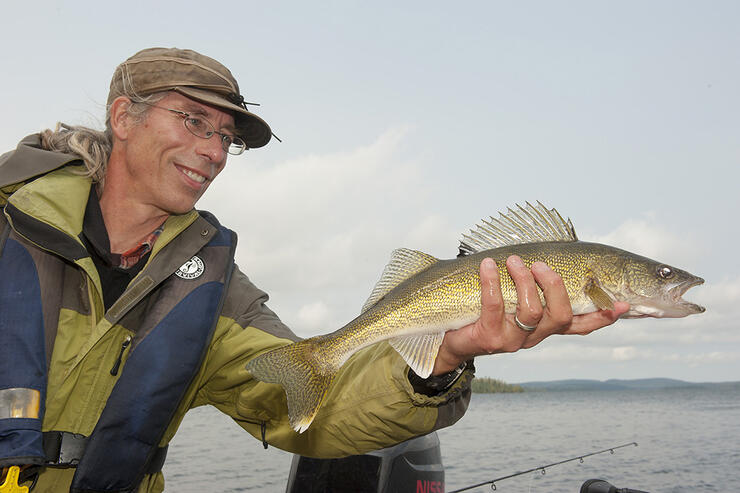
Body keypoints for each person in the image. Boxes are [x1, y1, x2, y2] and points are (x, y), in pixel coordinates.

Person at [0, 47, 627, 493]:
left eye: (227, 137)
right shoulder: (9, 219)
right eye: (193, 121)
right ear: (123, 117)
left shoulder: (211, 290)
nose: (214, 151)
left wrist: (443, 357)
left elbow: (309, 405)